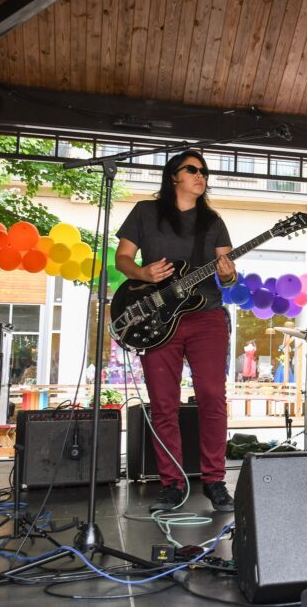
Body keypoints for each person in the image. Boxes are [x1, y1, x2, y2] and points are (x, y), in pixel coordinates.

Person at [115, 151, 237, 513]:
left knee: (212, 397)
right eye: (193, 170)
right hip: (157, 317)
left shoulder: (212, 221)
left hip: (207, 316)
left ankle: (214, 481)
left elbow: (228, 275)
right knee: (164, 403)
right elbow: (123, 258)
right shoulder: (145, 212)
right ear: (174, 177)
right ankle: (171, 484)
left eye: (204, 172)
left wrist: (229, 273)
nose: (201, 176)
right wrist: (142, 274)